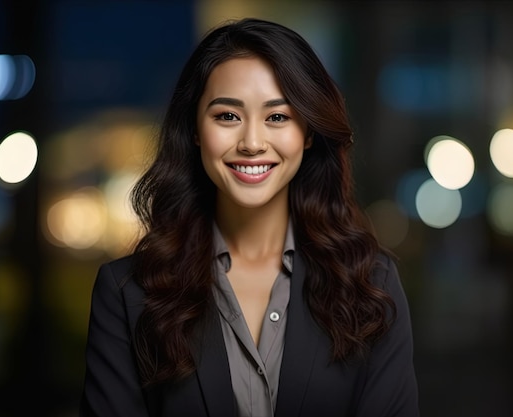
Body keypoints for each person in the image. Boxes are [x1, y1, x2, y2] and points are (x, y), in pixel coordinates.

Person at [80, 17, 419, 417]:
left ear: (307, 132)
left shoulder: (370, 283)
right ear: (194, 128)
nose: (253, 143)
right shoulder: (128, 293)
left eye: (277, 117)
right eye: (227, 116)